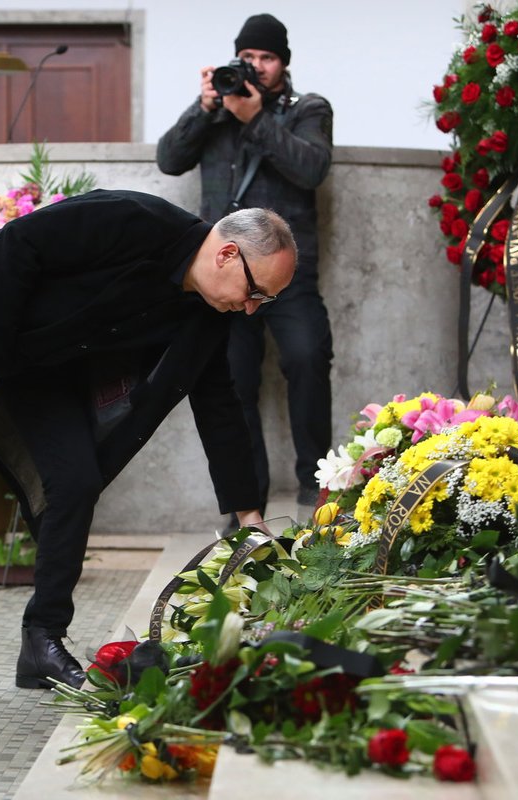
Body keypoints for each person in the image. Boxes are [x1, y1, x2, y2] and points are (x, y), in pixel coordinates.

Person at [0, 189, 296, 699]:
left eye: (262, 302)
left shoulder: (204, 313)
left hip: (39, 363)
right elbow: (18, 243)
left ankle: (42, 640)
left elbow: (219, 402)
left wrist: (246, 513)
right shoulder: (136, 220)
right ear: (226, 254)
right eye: (255, 292)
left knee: (75, 481)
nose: (249, 309)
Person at [156, 13, 335, 525]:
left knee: (306, 359)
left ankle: (315, 485)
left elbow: (312, 167)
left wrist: (256, 119)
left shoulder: (307, 109)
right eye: (248, 57)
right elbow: (168, 158)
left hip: (287, 276)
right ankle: (245, 504)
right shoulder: (214, 112)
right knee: (233, 382)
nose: (255, 66)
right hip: (227, 278)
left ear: (283, 64)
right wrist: (206, 105)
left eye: (266, 57)